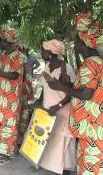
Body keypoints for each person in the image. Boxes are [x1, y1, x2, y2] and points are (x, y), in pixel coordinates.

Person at [48, 13, 103, 175]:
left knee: (90, 168)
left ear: (84, 44)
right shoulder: (96, 62)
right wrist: (68, 84)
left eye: (77, 40)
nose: (74, 44)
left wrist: (61, 87)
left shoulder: (90, 64)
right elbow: (87, 90)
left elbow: (86, 94)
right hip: (94, 123)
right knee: (87, 166)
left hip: (93, 124)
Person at [0, 28, 25, 165]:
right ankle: (8, 150)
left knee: (9, 125)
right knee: (1, 124)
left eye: (1, 40)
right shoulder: (1, 55)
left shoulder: (19, 56)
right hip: (0, 95)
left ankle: (4, 154)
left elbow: (15, 74)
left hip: (11, 97)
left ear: (7, 41)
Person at [38, 39, 76, 175]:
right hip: (48, 111)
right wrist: (39, 103)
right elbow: (44, 89)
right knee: (51, 143)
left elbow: (71, 93)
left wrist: (58, 105)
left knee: (63, 148)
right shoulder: (47, 66)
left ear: (50, 53)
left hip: (62, 111)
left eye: (43, 51)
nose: (41, 53)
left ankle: (65, 172)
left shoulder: (66, 68)